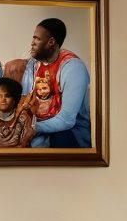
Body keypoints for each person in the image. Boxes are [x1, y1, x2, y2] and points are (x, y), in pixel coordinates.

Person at [15, 17, 91, 148]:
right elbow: (26, 102)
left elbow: (67, 120)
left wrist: (31, 128)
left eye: (37, 39)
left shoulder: (73, 67)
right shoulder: (34, 64)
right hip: (38, 128)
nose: (32, 43)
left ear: (51, 42)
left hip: (69, 134)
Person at [0, 77, 34, 148]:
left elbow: (25, 144)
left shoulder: (23, 118)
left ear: (14, 99)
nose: (3, 99)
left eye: (7, 96)